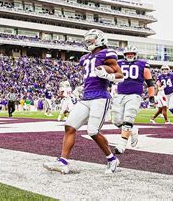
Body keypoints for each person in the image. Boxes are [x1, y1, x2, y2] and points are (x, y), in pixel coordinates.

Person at [43, 29, 124, 174]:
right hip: (86, 97)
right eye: (87, 39)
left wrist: (107, 75)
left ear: (100, 39)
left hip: (100, 96)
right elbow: (90, 76)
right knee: (69, 126)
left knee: (92, 131)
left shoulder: (107, 54)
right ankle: (63, 162)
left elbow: (120, 76)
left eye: (91, 39)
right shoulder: (85, 58)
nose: (88, 41)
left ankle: (112, 159)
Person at [111, 46, 155, 154]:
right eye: (127, 54)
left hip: (134, 95)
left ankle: (122, 145)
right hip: (120, 94)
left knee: (128, 118)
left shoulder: (142, 64)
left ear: (135, 54)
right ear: (124, 55)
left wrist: (151, 97)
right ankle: (133, 130)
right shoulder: (119, 63)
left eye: (131, 53)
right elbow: (112, 77)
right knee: (116, 120)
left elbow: (149, 82)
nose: (130, 55)